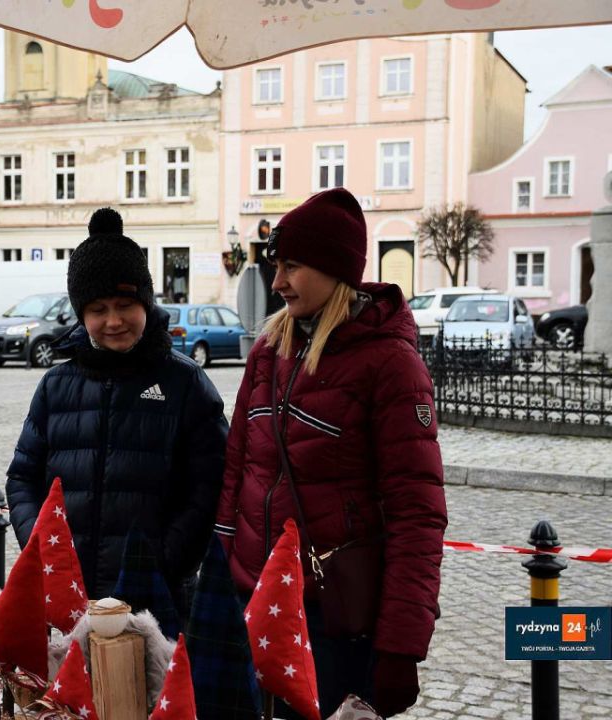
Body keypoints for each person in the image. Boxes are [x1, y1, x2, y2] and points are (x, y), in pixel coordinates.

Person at [214, 188, 447, 718]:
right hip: (253, 601)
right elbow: (237, 472)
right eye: (276, 266)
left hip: (331, 621)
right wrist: (221, 578)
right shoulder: (267, 351)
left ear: (334, 269)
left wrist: (401, 646)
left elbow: (417, 513)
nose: (277, 282)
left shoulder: (390, 364)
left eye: (291, 267)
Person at [7, 207, 228, 617]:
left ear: (146, 303)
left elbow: (210, 486)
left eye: (125, 304)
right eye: (98, 309)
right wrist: (45, 550)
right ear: (81, 314)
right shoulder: (56, 385)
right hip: (67, 596)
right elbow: (22, 479)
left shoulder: (185, 382)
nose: (113, 321)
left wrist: (162, 563)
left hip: (156, 603)